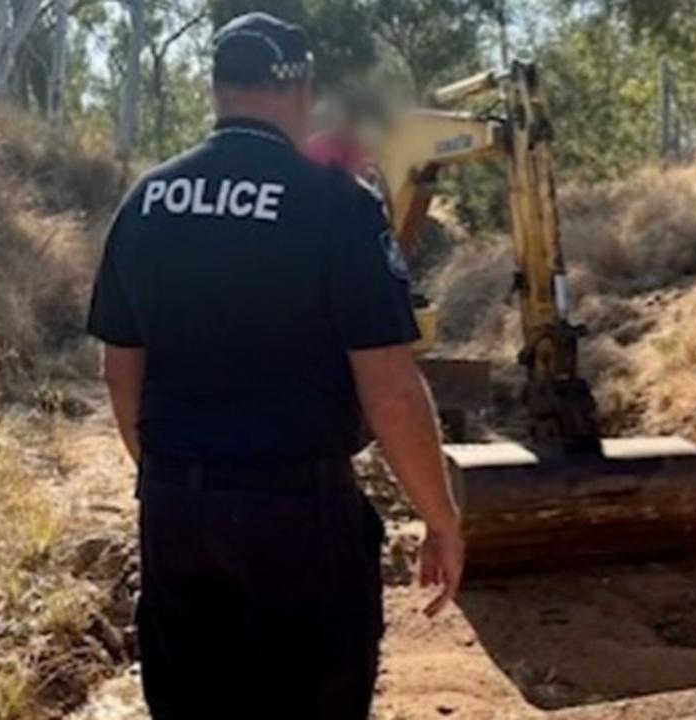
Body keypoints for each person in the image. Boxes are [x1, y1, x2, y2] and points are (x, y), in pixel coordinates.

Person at [86, 12, 464, 720]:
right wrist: (439, 516)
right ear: (302, 89)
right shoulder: (336, 205)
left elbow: (120, 368)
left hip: (174, 511)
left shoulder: (146, 202)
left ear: (217, 88)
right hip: (295, 517)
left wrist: (169, 472)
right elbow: (390, 387)